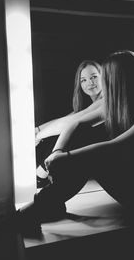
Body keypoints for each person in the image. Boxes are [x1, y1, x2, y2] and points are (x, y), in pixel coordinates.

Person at [17, 50, 134, 235]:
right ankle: (49, 203)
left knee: (91, 154)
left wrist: (66, 158)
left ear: (120, 81)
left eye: (105, 79)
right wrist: (57, 152)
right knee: (84, 135)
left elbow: (114, 148)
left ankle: (41, 206)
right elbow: (76, 123)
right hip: (131, 176)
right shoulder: (124, 104)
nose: (101, 85)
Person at [35, 60, 107, 188]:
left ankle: (41, 174)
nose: (90, 83)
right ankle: (42, 175)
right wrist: (37, 130)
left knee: (72, 131)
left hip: (106, 160)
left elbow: (71, 122)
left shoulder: (107, 100)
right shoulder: (88, 105)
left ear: (104, 77)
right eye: (83, 80)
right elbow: (64, 119)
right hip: (92, 158)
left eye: (94, 77)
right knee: (58, 130)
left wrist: (37, 136)